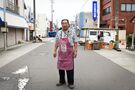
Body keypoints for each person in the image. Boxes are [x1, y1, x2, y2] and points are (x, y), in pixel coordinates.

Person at [53, 19, 78, 89]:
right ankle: (62, 81)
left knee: (70, 68)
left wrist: (75, 51)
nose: (64, 24)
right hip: (61, 53)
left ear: (68, 24)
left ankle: (71, 83)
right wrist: (54, 51)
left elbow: (75, 43)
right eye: (63, 23)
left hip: (69, 53)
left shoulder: (72, 32)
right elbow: (57, 43)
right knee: (60, 68)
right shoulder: (59, 33)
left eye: (66, 23)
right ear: (61, 24)